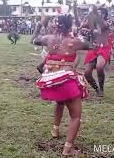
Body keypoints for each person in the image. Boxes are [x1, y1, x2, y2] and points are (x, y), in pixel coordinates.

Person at [32, 14, 90, 156]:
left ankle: (55, 129)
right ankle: (67, 149)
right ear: (70, 26)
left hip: (51, 81)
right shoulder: (74, 41)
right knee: (76, 116)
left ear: (55, 25)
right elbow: (90, 46)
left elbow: (33, 40)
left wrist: (40, 24)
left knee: (59, 103)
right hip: (65, 81)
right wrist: (86, 32)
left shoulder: (49, 39)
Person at [84, 7, 111, 97]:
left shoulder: (105, 24)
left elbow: (100, 30)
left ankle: (102, 88)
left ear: (103, 15)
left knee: (99, 67)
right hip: (94, 49)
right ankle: (96, 88)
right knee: (87, 73)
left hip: (104, 48)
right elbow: (88, 39)